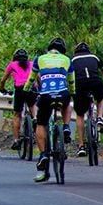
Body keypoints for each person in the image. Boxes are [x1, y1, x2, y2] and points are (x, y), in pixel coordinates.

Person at [24, 37, 74, 182]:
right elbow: (71, 81)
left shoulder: (39, 59)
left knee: (40, 123)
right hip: (62, 93)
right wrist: (73, 92)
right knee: (67, 103)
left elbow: (31, 79)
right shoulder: (67, 60)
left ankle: (43, 155)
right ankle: (65, 127)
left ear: (49, 49)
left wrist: (27, 90)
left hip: (45, 96)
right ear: (62, 50)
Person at [69, 42, 103, 157]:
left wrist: (71, 91)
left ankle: (81, 146)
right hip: (95, 82)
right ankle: (100, 117)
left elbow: (69, 76)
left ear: (76, 52)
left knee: (80, 114)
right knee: (101, 97)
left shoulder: (72, 60)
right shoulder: (95, 57)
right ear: (88, 51)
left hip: (79, 85)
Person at [0, 49, 37, 149]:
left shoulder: (12, 64)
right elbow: (39, 77)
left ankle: (16, 140)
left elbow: (3, 80)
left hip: (19, 89)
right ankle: (35, 118)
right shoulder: (32, 63)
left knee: (17, 114)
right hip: (31, 87)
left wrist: (2, 89)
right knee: (32, 105)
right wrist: (39, 88)